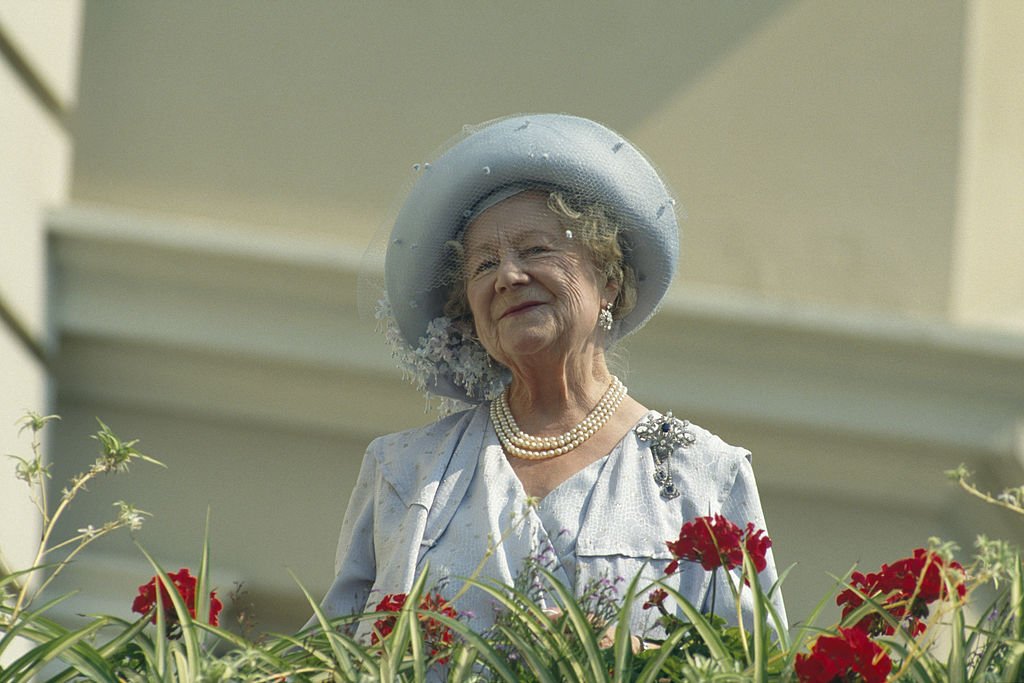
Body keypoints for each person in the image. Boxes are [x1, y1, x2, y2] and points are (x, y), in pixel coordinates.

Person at [318, 114, 787, 645]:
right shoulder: (403, 472)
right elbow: (331, 655)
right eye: (484, 266)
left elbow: (754, 664)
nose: (509, 277)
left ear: (609, 279)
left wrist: (628, 658)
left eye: (537, 250)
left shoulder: (704, 475)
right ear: (468, 312)